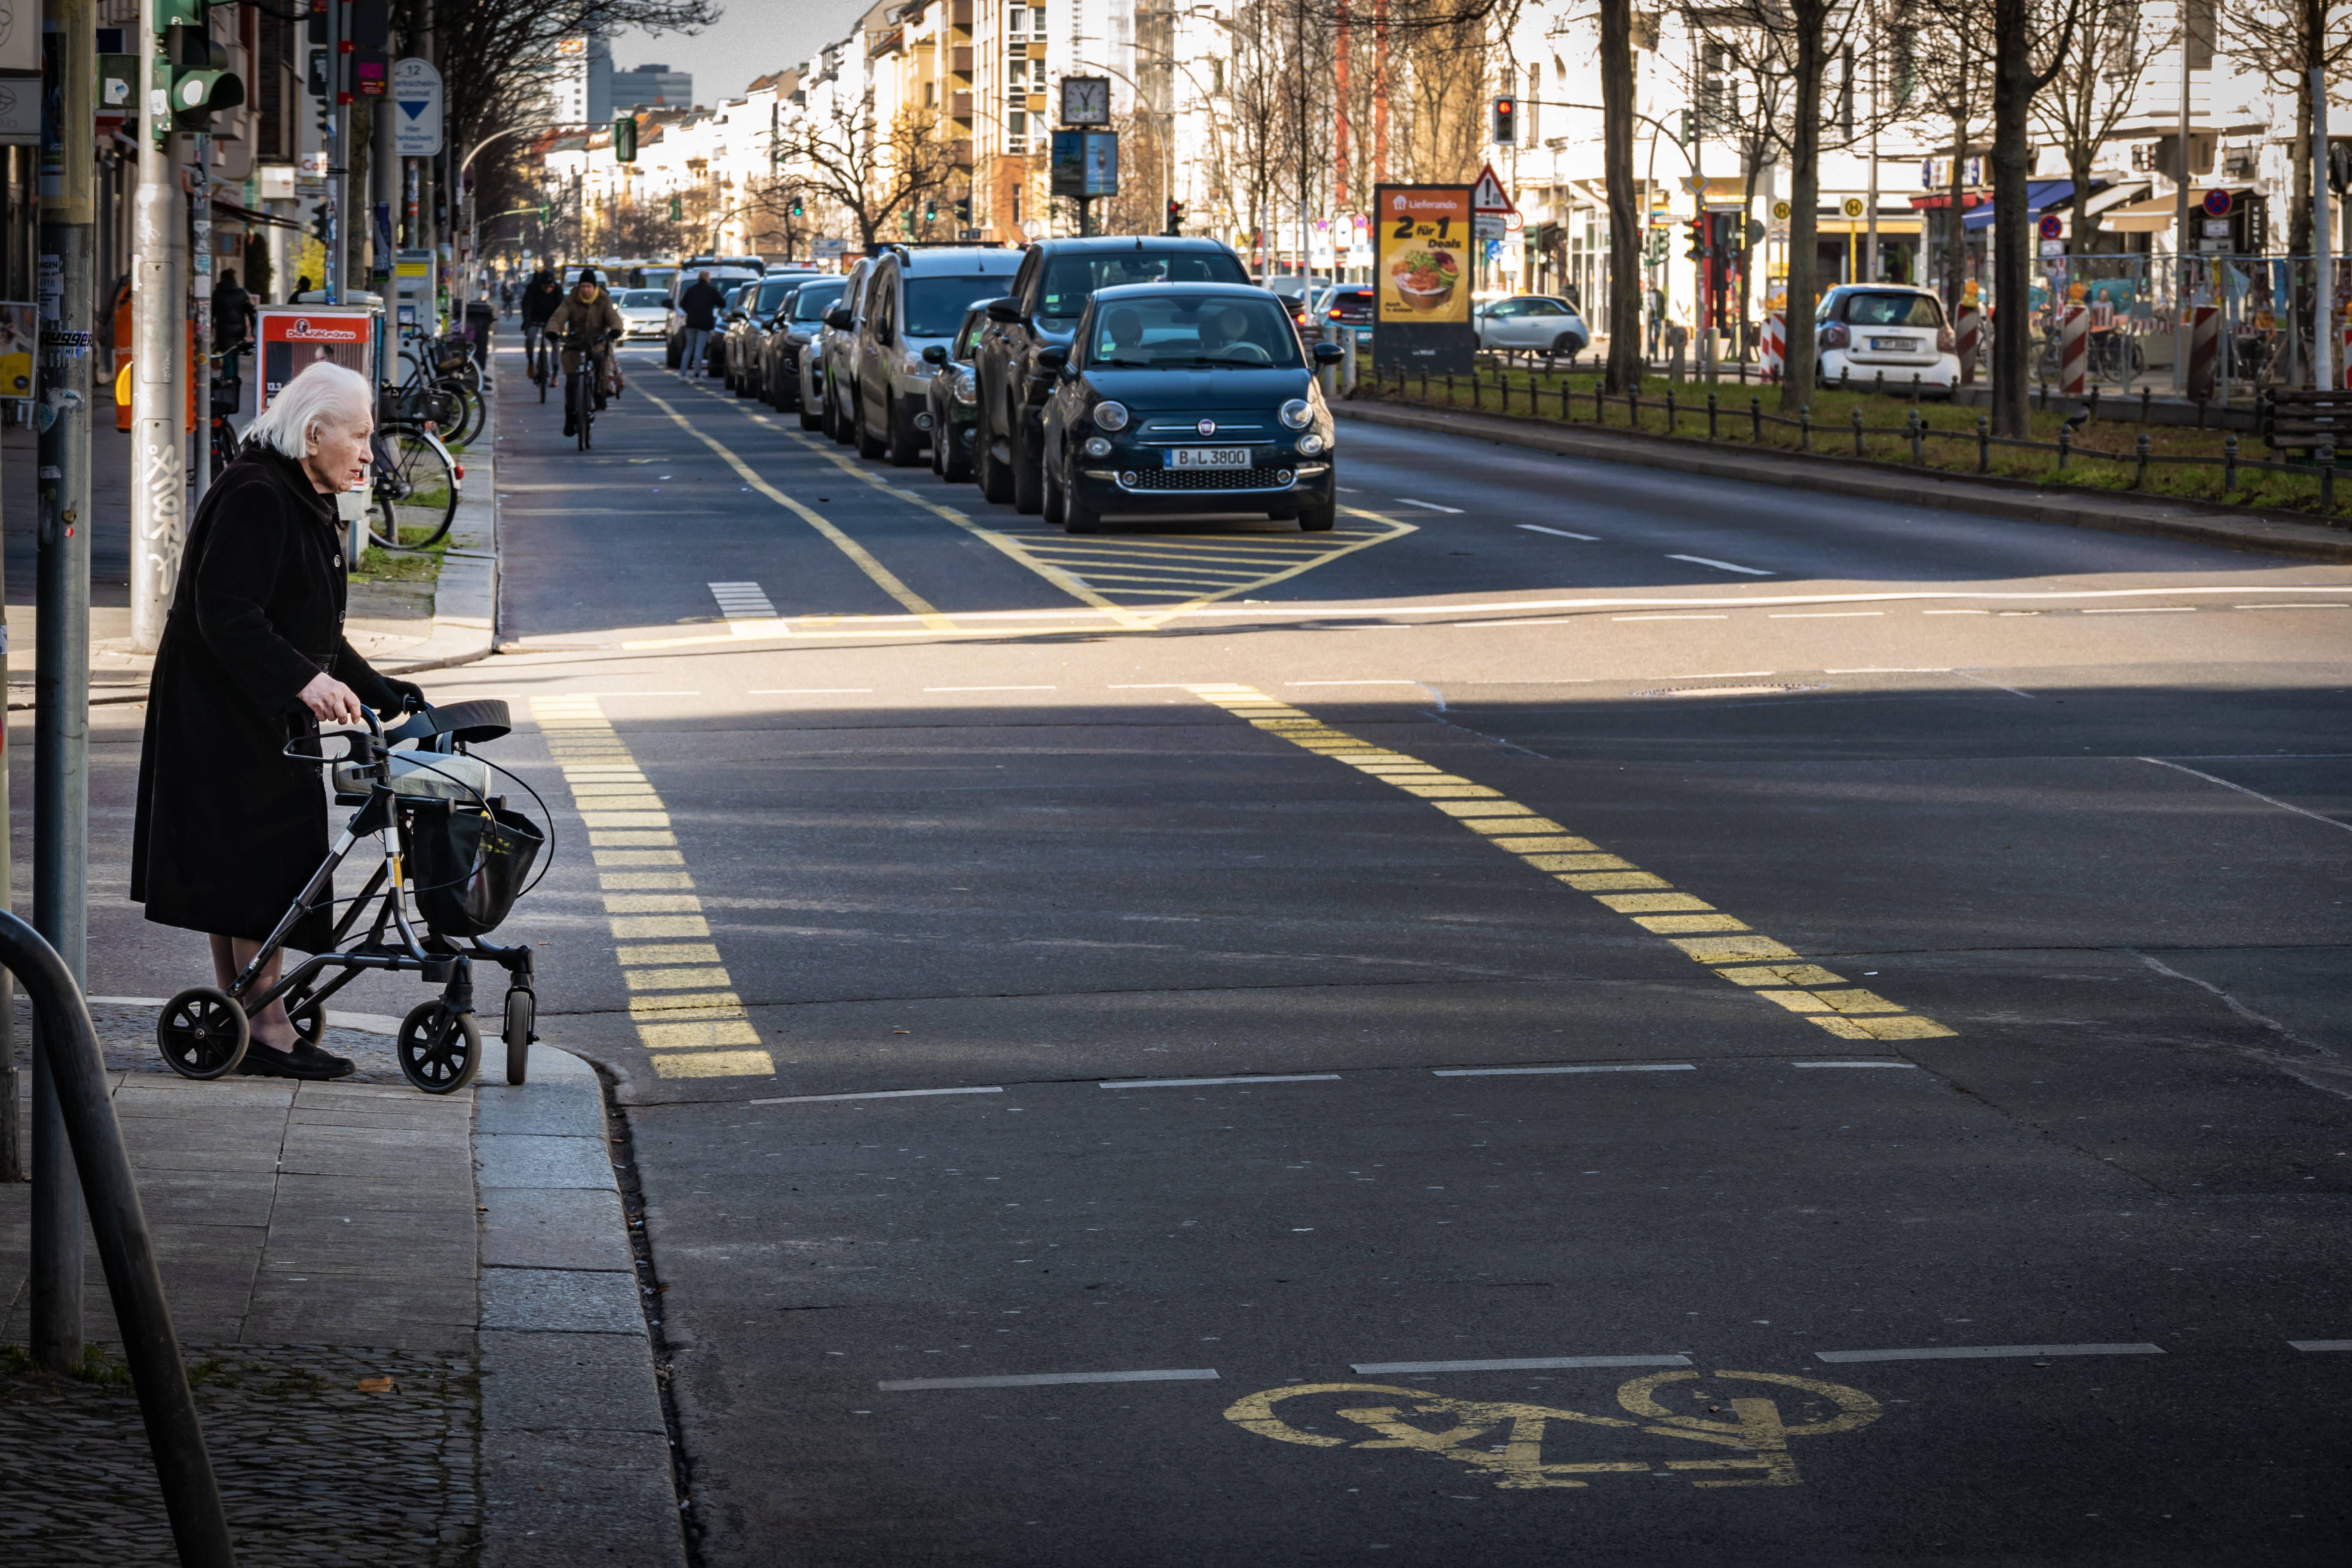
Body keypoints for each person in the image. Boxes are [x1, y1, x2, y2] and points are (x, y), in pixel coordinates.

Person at [131, 361, 423, 1081]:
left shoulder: (295, 491)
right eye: (358, 435)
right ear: (312, 431)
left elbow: (308, 622)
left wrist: (374, 686)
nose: (367, 451)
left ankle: (254, 1007)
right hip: (222, 714)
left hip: (247, 709)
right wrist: (305, 680)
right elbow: (226, 615)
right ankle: (264, 1019)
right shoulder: (259, 494)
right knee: (264, 862)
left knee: (246, 867)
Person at [542, 269, 625, 436]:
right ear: (579, 287)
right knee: (572, 382)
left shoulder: (604, 300)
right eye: (583, 287)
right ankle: (571, 416)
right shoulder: (570, 300)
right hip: (575, 344)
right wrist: (552, 331)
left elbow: (614, 318)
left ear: (595, 287)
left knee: (598, 363)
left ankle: (598, 395)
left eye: (589, 287)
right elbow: (558, 318)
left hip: (597, 344)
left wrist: (616, 330)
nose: (586, 290)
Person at [677, 269, 726, 376]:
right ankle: (697, 374)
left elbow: (683, 304)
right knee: (700, 348)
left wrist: (691, 311)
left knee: (689, 348)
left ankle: (683, 373)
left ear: (698, 279)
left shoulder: (691, 290)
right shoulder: (711, 290)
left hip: (691, 323)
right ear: (708, 279)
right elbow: (722, 304)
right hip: (704, 324)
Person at [520, 266, 563, 384]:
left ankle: (555, 373)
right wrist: (527, 321)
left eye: (551, 287)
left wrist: (560, 324)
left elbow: (561, 308)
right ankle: (531, 362)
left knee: (556, 343)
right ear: (540, 284)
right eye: (545, 287)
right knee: (531, 337)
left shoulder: (558, 289)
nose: (548, 289)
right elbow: (527, 304)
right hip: (534, 318)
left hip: (552, 319)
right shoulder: (533, 288)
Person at [212, 267, 256, 352]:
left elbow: (212, 312)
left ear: (221, 278)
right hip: (238, 332)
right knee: (236, 353)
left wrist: (210, 330)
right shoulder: (242, 293)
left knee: (225, 355)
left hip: (222, 331)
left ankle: (228, 366)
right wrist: (254, 330)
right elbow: (251, 313)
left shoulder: (217, 293)